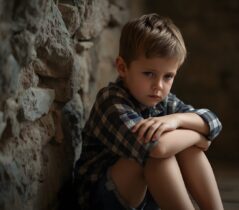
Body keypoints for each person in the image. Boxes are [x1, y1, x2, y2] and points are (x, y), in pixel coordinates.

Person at [74, 13, 224, 210]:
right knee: (158, 158)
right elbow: (156, 148)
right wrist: (199, 137)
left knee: (188, 148)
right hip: (100, 201)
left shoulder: (164, 102)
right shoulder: (111, 101)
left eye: (168, 76)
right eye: (149, 74)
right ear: (122, 67)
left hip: (145, 201)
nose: (158, 86)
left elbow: (213, 122)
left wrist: (177, 120)